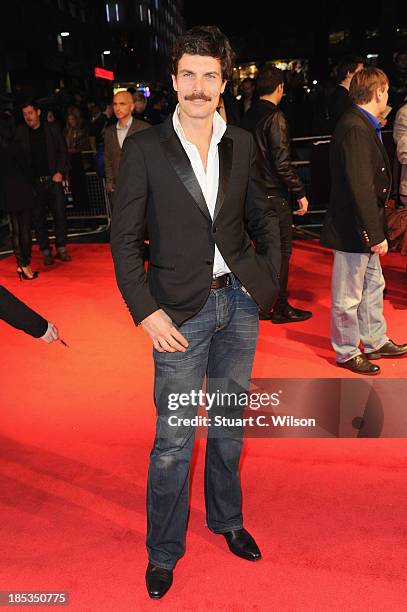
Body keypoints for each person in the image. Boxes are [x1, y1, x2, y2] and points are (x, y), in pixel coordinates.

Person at [111, 25, 280, 599]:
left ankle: (227, 521)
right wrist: (145, 312)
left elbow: (263, 216)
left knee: (229, 429)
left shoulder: (243, 143)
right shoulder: (145, 147)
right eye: (189, 74)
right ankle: (163, 551)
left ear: (224, 82)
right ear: (174, 80)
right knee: (175, 439)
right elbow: (124, 238)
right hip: (179, 313)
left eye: (210, 75)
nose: (199, 86)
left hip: (239, 304)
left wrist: (268, 284)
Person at [320, 67, 407, 375]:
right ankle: (345, 351)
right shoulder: (356, 127)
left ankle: (374, 340)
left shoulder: (360, 124)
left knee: (373, 286)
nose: (388, 96)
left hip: (361, 225)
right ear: (378, 93)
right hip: (353, 227)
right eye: (386, 91)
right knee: (348, 294)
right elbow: (360, 185)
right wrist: (374, 232)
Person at [241, 65, 312, 323]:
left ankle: (263, 303)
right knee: (281, 252)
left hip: (251, 195)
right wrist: (300, 192)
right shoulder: (276, 117)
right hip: (273, 195)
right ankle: (279, 306)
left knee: (262, 252)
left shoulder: (247, 116)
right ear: (280, 87)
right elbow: (281, 163)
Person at [16, 100, 71, 266]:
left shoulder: (52, 129)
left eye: (30, 113)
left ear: (38, 112)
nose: (28, 117)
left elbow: (63, 151)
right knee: (38, 218)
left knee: (60, 214)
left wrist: (60, 172)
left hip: (53, 180)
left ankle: (61, 248)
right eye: (25, 114)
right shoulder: (21, 133)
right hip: (34, 184)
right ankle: (46, 251)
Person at [0, 114, 38, 280]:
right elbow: (27, 170)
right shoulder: (17, 147)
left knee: (15, 230)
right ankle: (25, 265)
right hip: (22, 190)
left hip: (7, 193)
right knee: (24, 230)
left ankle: (20, 264)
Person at [104, 91, 150, 196]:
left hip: (141, 185)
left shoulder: (144, 129)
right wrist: (110, 181)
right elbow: (107, 158)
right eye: (115, 104)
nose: (117, 108)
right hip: (117, 186)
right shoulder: (109, 131)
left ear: (132, 107)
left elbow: (151, 158)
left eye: (122, 104)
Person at [327, 55, 364, 128]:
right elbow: (348, 122)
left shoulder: (349, 93)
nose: (363, 76)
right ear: (349, 73)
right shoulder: (340, 96)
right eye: (360, 72)